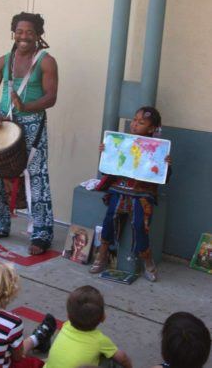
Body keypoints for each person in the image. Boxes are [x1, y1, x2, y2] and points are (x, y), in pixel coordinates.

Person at [0, 12, 58, 255]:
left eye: (30, 32)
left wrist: (26, 107)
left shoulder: (46, 61)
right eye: (20, 31)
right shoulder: (2, 62)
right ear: (13, 33)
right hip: (4, 122)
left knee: (36, 178)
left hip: (33, 123)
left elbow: (51, 98)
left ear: (38, 35)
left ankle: (42, 234)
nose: (24, 36)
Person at [90, 106, 172, 282]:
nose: (135, 124)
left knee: (140, 223)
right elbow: (110, 166)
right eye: (134, 120)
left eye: (141, 122)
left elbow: (163, 177)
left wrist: (166, 164)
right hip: (120, 187)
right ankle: (103, 252)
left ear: (151, 129)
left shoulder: (157, 148)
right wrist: (107, 151)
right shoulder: (122, 142)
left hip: (142, 192)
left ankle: (147, 258)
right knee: (111, 216)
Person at [0, 260, 57, 368]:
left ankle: (38, 338)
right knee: (32, 363)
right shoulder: (12, 322)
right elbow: (17, 357)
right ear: (10, 291)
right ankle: (38, 338)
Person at [43, 285, 132, 368]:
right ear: (103, 317)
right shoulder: (99, 340)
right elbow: (123, 357)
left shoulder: (65, 326)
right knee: (110, 360)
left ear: (68, 317)